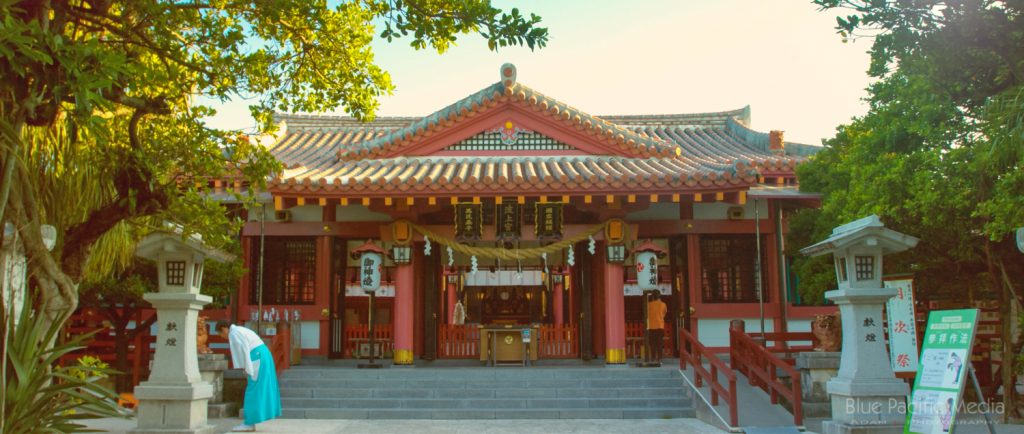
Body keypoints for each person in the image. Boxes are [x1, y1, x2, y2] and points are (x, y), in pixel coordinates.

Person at [215, 322, 281, 432]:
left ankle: (249, 423)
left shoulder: (234, 333)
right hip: (262, 355)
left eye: (220, 333)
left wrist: (247, 368)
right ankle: (252, 420)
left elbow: (244, 350)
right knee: (257, 389)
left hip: (257, 357)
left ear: (224, 329)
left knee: (253, 390)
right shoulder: (239, 330)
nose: (221, 336)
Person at [646, 290, 668, 363]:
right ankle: (660, 358)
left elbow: (647, 315)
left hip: (651, 326)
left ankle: (653, 358)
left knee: (652, 343)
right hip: (660, 325)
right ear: (659, 296)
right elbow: (664, 313)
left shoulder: (649, 305)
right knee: (659, 343)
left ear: (652, 296)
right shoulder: (663, 304)